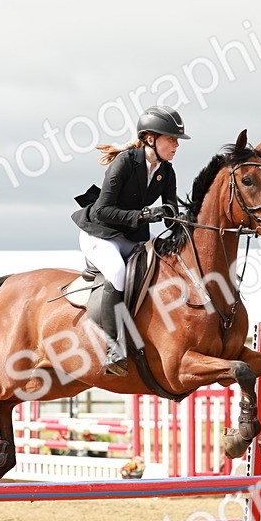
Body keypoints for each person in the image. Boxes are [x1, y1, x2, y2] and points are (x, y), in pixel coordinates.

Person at [71, 105, 189, 375]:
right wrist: (145, 214)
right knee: (118, 271)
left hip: (131, 236)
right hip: (100, 233)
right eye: (171, 139)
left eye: (177, 140)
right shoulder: (125, 162)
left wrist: (189, 221)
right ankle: (114, 349)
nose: (176, 145)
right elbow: (102, 210)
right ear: (150, 139)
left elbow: (170, 218)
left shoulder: (166, 172)